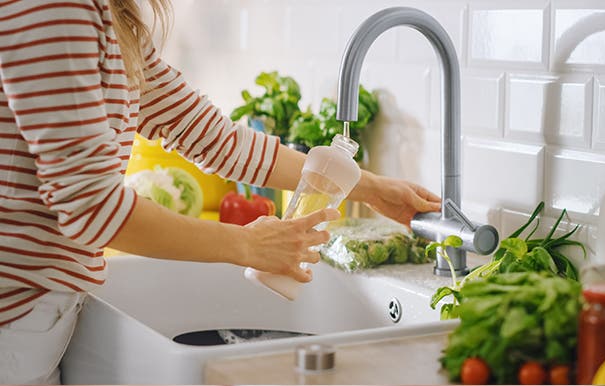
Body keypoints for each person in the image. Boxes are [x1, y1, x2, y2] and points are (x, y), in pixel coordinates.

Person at [0, 0, 441, 383]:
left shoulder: (107, 15)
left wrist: (370, 187)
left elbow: (210, 136)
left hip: (29, 315)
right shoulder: (54, 8)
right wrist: (248, 245)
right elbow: (94, 208)